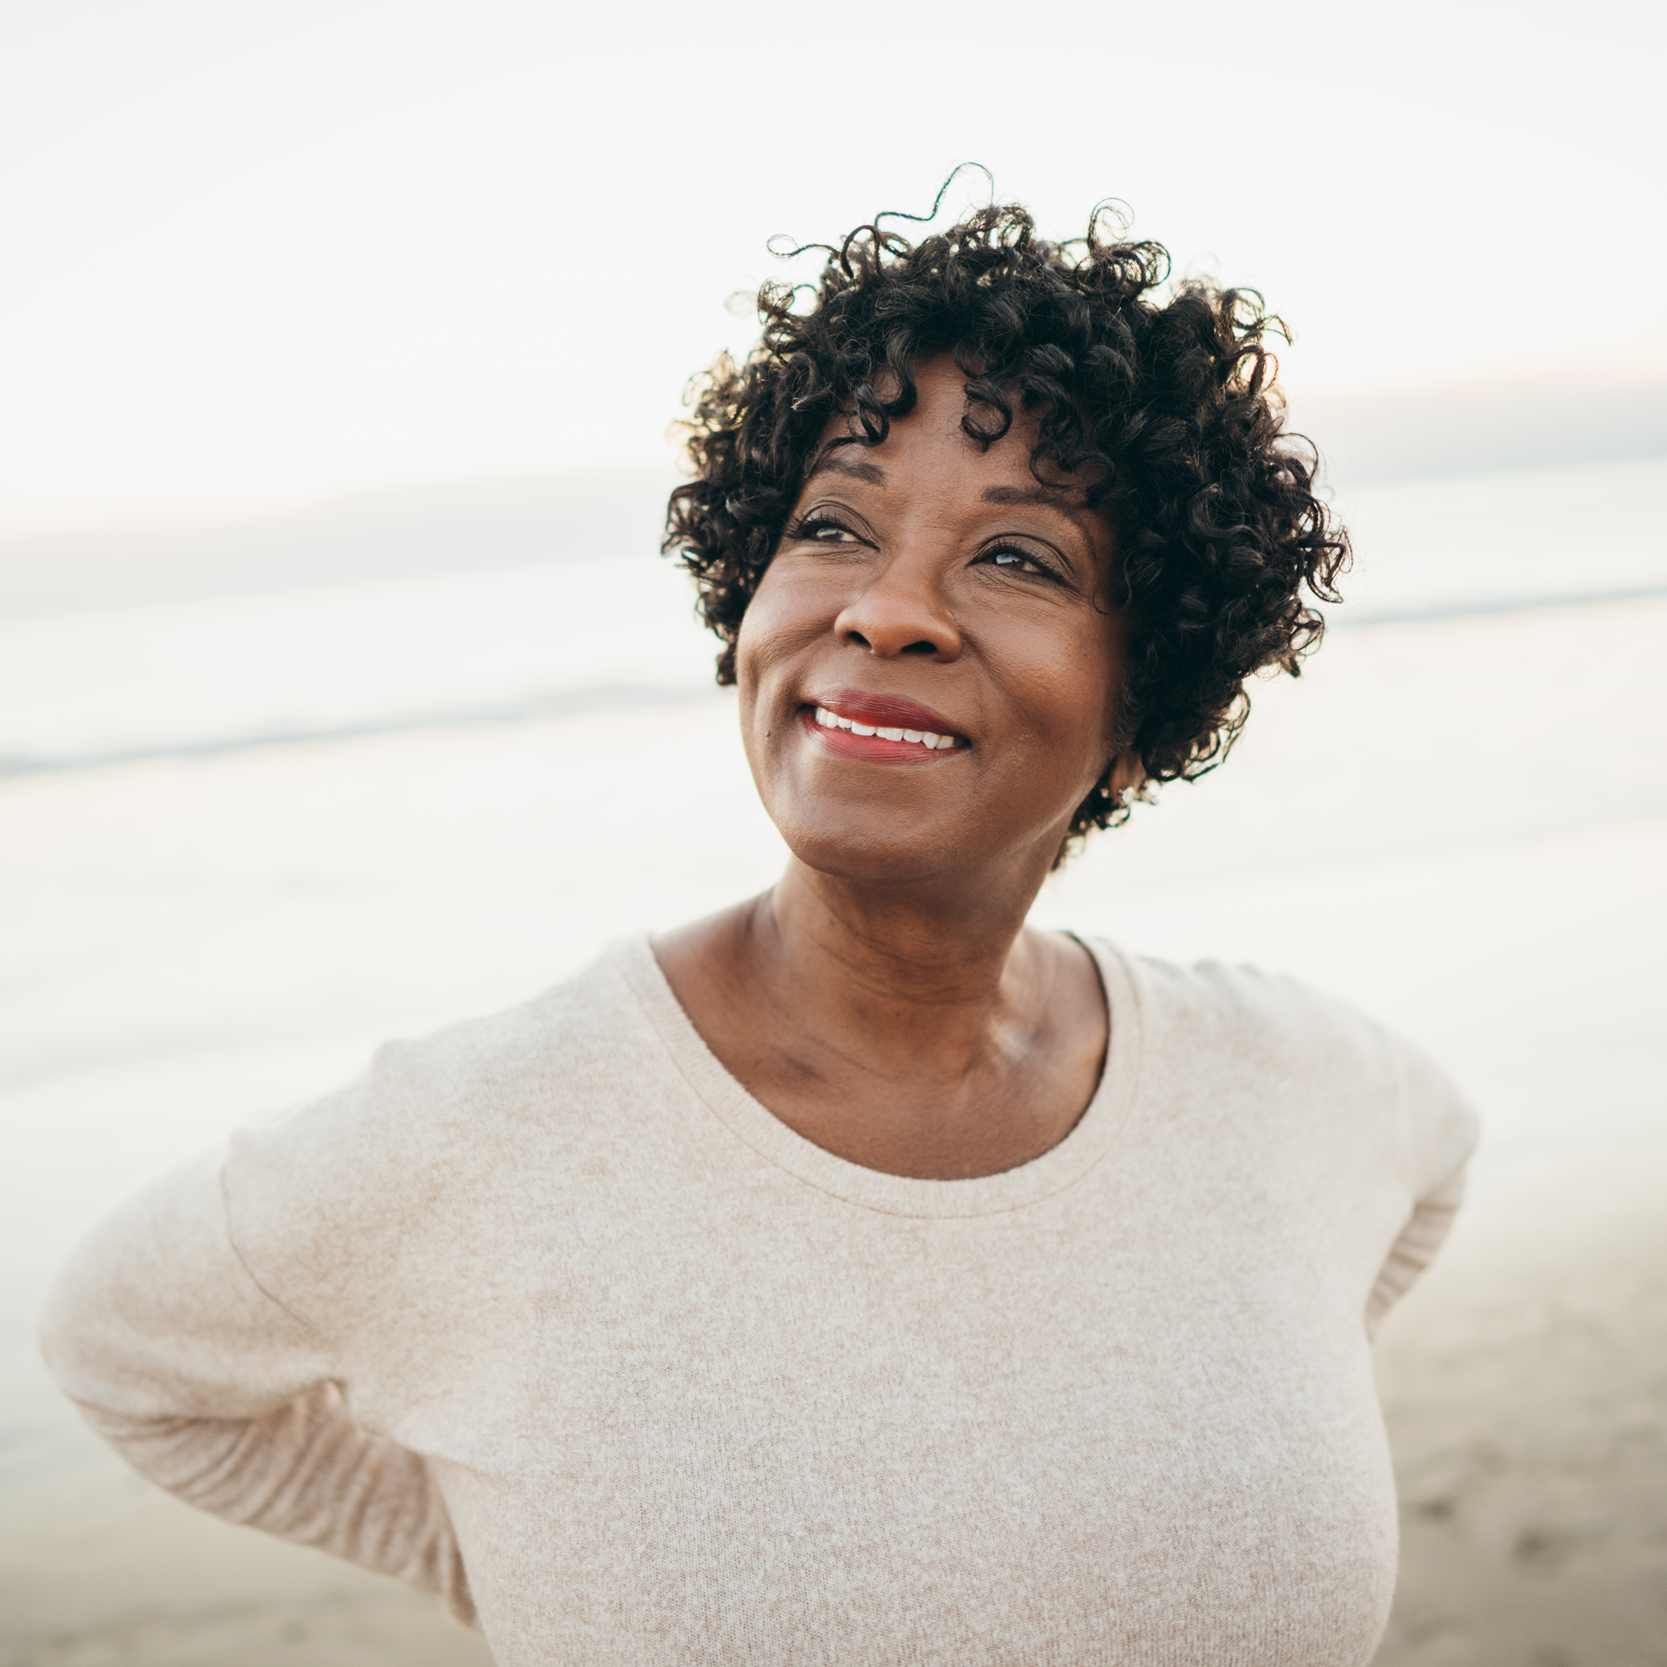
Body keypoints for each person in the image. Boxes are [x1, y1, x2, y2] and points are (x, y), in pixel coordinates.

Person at [40, 197, 1476, 1666]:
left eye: (1020, 559)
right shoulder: (496, 1131)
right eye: (835, 526)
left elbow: (1430, 1159)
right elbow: (124, 1347)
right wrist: (502, 1555)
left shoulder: (1290, 1076)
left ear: (1140, 712)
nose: (889, 608)